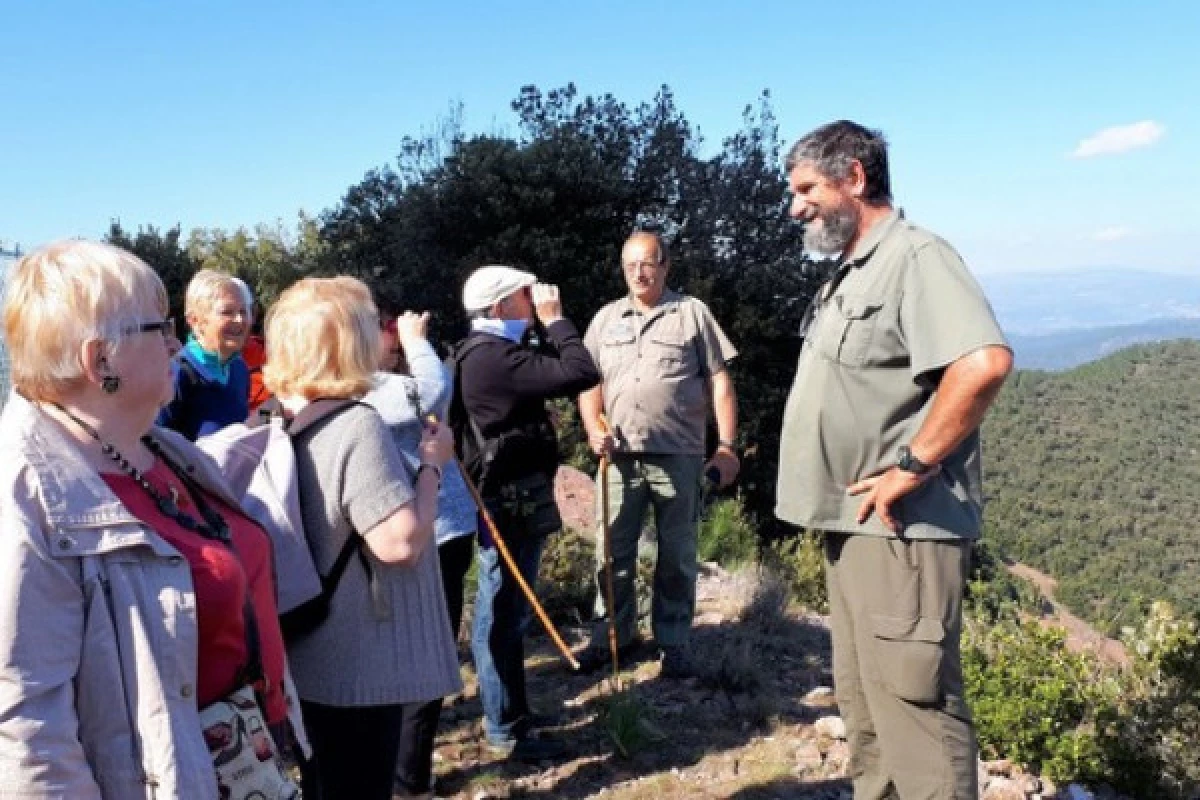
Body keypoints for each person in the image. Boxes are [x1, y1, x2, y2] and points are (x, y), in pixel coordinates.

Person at [0, 240, 291, 799]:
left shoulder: (160, 450)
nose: (174, 343)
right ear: (100, 360)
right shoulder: (28, 497)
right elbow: (27, 734)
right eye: (159, 328)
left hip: (233, 762)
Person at [776, 120, 1013, 799]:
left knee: (916, 712)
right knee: (866, 708)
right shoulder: (857, 269)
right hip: (856, 528)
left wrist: (913, 464)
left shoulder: (917, 257)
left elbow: (983, 363)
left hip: (902, 531)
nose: (795, 206)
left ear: (854, 176)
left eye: (806, 189)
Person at [263, 276, 459, 800]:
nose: (384, 330)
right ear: (347, 340)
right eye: (373, 320)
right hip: (356, 666)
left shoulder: (288, 419)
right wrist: (432, 469)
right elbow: (400, 541)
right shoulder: (357, 426)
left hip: (308, 657)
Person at [450, 265, 600, 761]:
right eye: (523, 297)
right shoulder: (494, 357)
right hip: (507, 499)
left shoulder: (493, 352)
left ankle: (512, 713)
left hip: (517, 493)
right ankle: (505, 728)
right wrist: (557, 321)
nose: (533, 303)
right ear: (498, 308)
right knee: (501, 610)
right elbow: (581, 371)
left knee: (510, 609)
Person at [576, 231, 740, 676]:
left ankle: (674, 641)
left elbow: (719, 380)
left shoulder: (691, 314)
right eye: (630, 265)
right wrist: (594, 428)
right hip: (618, 458)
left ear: (665, 266)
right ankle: (613, 637)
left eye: (648, 263)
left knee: (677, 554)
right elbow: (588, 381)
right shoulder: (606, 319)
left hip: (680, 455)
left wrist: (725, 445)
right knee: (611, 553)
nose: (639, 272)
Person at [362, 308, 477, 798]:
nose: (391, 331)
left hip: (430, 532)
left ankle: (405, 774)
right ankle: (409, 783)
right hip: (427, 532)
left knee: (411, 660)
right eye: (382, 324)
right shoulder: (368, 387)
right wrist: (415, 339)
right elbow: (434, 389)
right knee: (425, 659)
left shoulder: (369, 386)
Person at [158, 269, 253, 439]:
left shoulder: (240, 370)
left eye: (243, 311)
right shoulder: (176, 374)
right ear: (195, 321)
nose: (240, 319)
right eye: (227, 312)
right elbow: (155, 444)